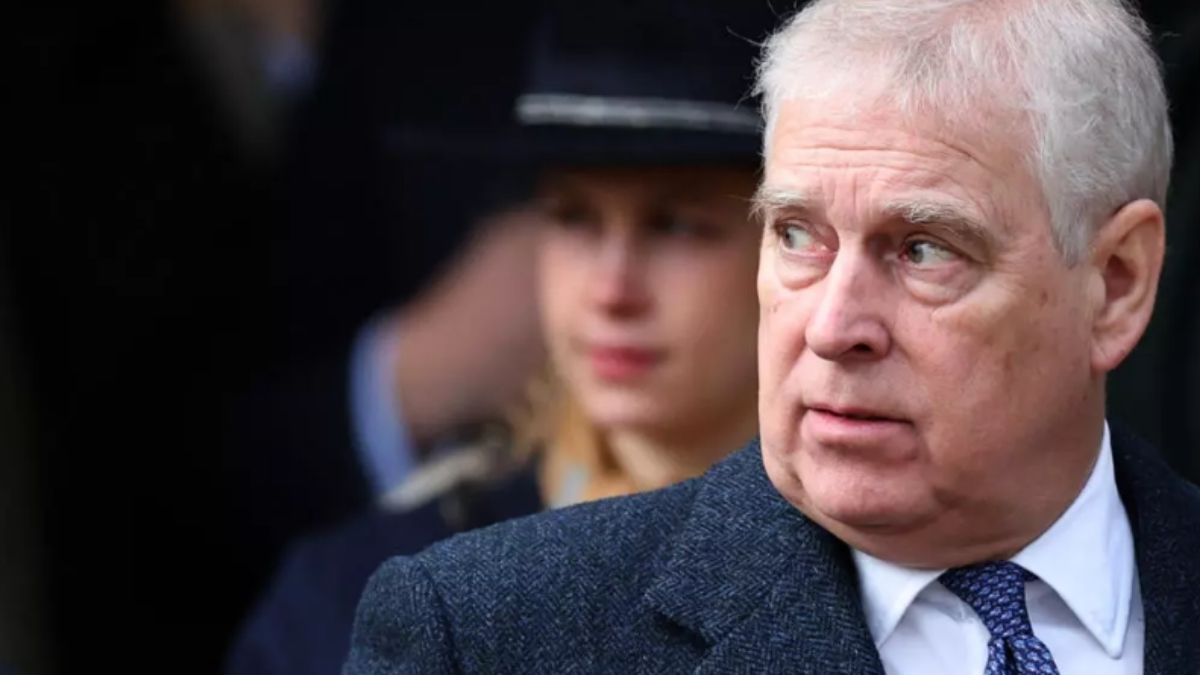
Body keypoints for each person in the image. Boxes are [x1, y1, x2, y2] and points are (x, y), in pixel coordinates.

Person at [344, 0, 1200, 673]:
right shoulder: (487, 637)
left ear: (1117, 283)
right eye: (797, 235)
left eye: (923, 249)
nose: (831, 327)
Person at [225, 3, 773, 673]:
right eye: (573, 217)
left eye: (677, 225)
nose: (611, 288)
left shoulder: (874, 580)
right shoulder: (349, 602)